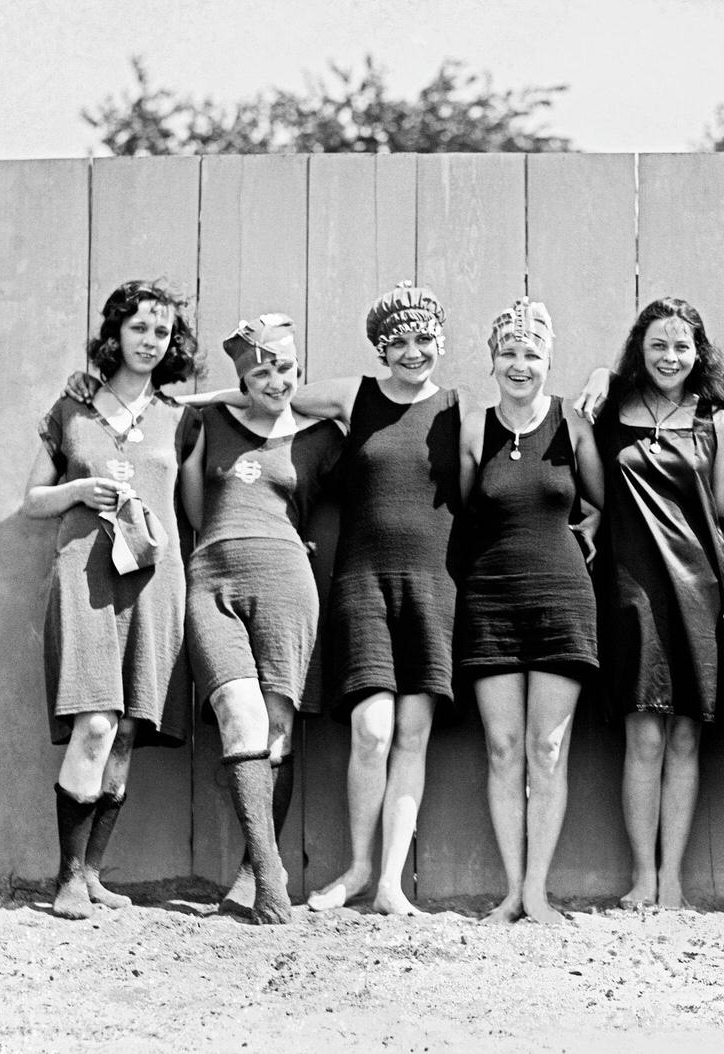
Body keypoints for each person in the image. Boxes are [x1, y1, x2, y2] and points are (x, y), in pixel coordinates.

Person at [278, 281, 465, 916]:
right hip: (362, 584)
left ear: (438, 341)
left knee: (411, 735)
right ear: (381, 349)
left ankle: (389, 884)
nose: (413, 353)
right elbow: (268, 392)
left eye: (423, 340)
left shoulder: (462, 411)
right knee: (370, 730)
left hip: (434, 588)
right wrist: (174, 402)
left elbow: (540, 420)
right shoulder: (354, 396)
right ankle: (357, 867)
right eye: (399, 343)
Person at [23, 280, 202, 920]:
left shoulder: (183, 418)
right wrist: (79, 491)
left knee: (125, 729)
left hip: (155, 578)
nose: (151, 342)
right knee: (94, 722)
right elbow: (31, 502)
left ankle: (95, 873)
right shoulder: (71, 409)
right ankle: (68, 877)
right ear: (115, 335)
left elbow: (196, 511)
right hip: (85, 574)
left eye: (162, 332)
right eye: (139, 329)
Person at [576, 297, 724, 909]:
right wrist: (600, 375)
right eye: (658, 345)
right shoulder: (609, 412)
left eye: (681, 346)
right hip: (632, 590)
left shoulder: (715, 419)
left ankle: (672, 878)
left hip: (700, 590)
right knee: (643, 738)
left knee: (683, 741)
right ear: (639, 349)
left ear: (698, 352)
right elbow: (591, 496)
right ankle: (641, 877)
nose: (670, 357)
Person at [180, 314, 343, 925]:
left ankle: (252, 875)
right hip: (213, 575)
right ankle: (273, 875)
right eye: (260, 372)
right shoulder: (209, 423)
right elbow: (196, 509)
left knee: (275, 723)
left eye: (285, 368)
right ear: (240, 379)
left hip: (286, 580)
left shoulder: (323, 436)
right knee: (236, 712)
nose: (275, 381)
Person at [457, 298, 605, 924]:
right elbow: (461, 514)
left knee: (546, 749)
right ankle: (511, 890)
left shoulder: (572, 423)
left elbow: (601, 501)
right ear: (493, 361)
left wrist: (592, 527)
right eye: (509, 354)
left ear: (549, 362)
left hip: (561, 599)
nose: (520, 365)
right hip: (490, 598)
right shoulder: (472, 427)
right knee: (502, 746)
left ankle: (538, 891)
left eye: (532, 356)